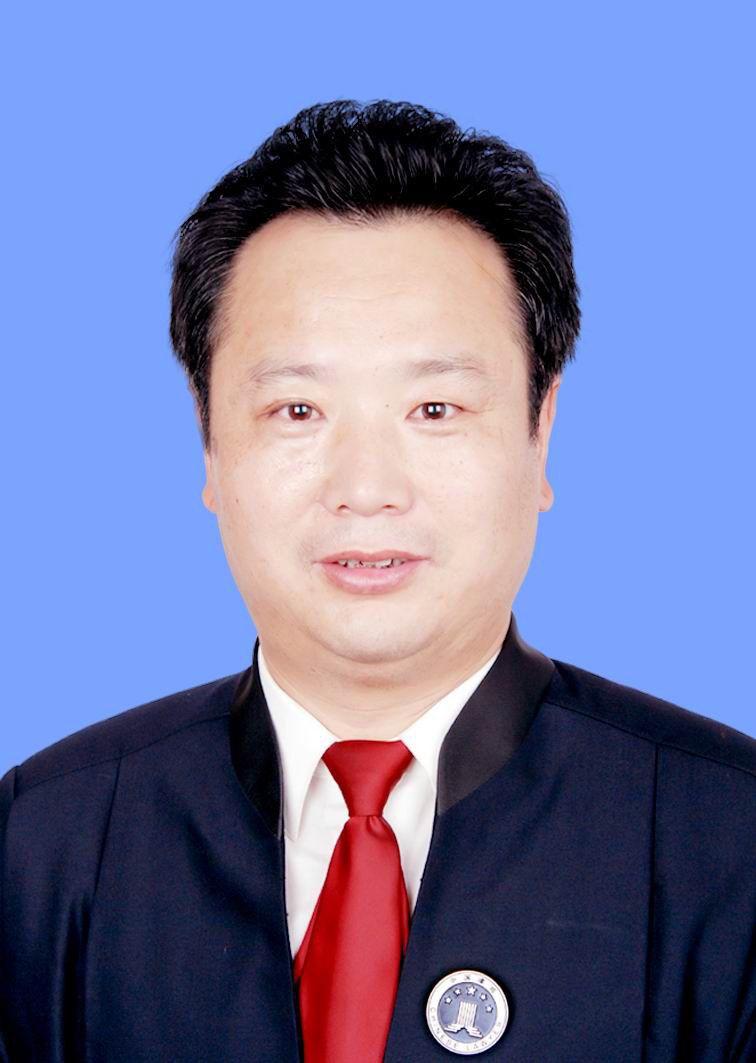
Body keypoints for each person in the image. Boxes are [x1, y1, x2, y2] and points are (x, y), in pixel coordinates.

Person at [1, 99, 753, 1062]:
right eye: (297, 409)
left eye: (434, 408)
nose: (365, 488)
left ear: (541, 430)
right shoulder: (46, 843)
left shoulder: (728, 841)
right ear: (208, 440)